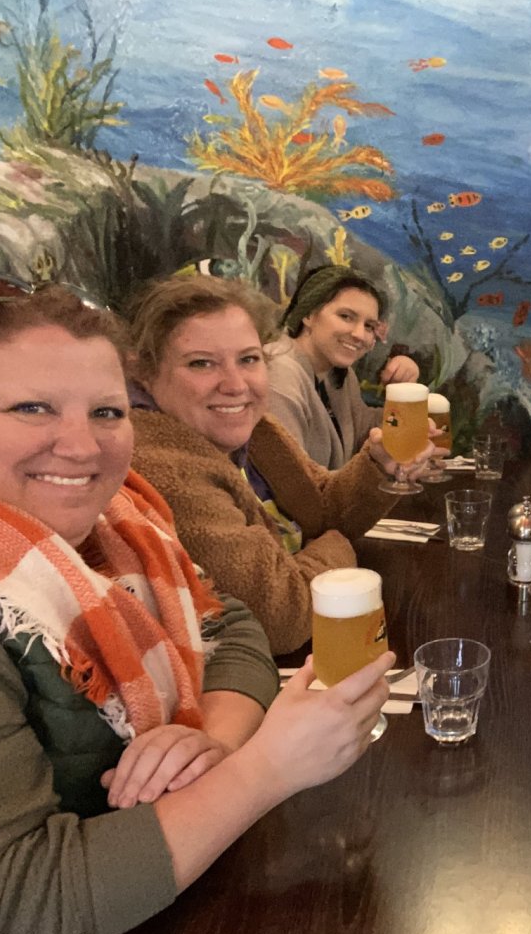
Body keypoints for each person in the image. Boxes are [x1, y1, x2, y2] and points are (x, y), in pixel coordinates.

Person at [0, 280, 392, 934]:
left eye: (106, 412)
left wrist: (212, 737)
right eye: (32, 408)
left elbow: (232, 624)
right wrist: (261, 772)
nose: (83, 446)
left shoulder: (122, 521)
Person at [125, 275, 423, 655]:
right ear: (145, 373)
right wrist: (336, 548)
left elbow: (323, 505)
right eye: (201, 363)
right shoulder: (164, 465)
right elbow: (282, 617)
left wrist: (379, 464)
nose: (235, 384)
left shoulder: (255, 426)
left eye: (248, 359)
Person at [265, 265, 420, 470]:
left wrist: (406, 392)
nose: (359, 334)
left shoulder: (339, 375)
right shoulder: (277, 372)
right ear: (308, 314)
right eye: (346, 316)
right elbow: (292, 479)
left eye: (369, 326)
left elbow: (363, 433)